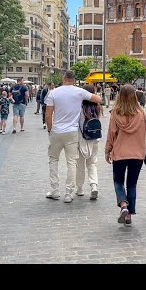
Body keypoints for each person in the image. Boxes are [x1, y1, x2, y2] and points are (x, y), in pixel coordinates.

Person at [45, 71, 102, 203]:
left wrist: (50, 129)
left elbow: (48, 115)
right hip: (72, 132)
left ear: (63, 78)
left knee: (53, 160)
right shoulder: (79, 92)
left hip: (56, 131)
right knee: (71, 162)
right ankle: (68, 193)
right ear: (74, 79)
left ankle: (54, 190)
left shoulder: (53, 92)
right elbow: (98, 99)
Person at [105, 84, 146, 227]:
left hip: (120, 153)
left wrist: (108, 150)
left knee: (118, 182)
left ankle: (124, 205)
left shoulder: (115, 114)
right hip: (137, 154)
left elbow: (111, 134)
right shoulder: (142, 114)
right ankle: (129, 215)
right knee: (132, 184)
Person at [75, 84, 103, 200]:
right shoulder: (97, 107)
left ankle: (80, 189)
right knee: (92, 164)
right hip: (94, 138)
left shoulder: (79, 107)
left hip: (81, 138)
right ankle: (94, 186)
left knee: (79, 165)